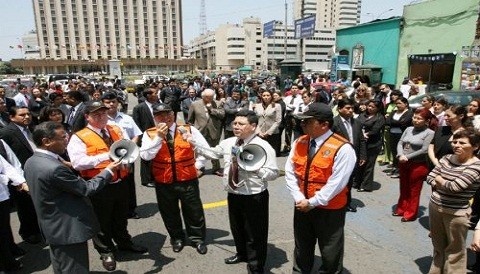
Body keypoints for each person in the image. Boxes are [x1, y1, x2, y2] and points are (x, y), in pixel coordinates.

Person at [25, 121, 121, 274]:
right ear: (47, 141)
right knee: (75, 269)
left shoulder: (32, 161)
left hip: (52, 227)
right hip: (68, 230)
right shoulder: (54, 168)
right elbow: (86, 188)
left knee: (62, 267)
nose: (67, 141)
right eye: (62, 137)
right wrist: (108, 171)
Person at [191, 109, 278, 273]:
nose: (236, 126)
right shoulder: (230, 142)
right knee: (237, 228)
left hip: (254, 195)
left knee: (255, 233)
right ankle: (242, 254)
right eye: (235, 123)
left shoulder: (263, 146)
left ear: (253, 126)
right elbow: (213, 152)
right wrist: (193, 143)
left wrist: (256, 168)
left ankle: (256, 265)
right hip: (234, 192)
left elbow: (273, 173)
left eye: (241, 124)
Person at [67, 101, 147, 271]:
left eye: (103, 113)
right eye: (96, 114)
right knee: (101, 220)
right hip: (99, 185)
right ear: (87, 117)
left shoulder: (115, 129)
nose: (101, 117)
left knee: (121, 215)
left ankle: (124, 242)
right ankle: (106, 251)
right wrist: (106, 156)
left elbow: (127, 147)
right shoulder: (79, 137)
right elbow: (78, 163)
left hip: (121, 182)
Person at [285, 103, 356, 274]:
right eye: (302, 122)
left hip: (329, 209)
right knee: (302, 246)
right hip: (303, 205)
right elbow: (290, 172)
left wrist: (313, 201)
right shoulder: (300, 142)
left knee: (330, 251)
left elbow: (337, 183)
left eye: (307, 122)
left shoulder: (343, 148)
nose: (302, 125)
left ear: (324, 124)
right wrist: (299, 198)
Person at [140, 103, 208, 255]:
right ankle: (177, 238)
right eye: (160, 115)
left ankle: (197, 238)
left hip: (187, 178)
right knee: (169, 211)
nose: (165, 118)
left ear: (173, 114)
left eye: (168, 114)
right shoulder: (150, 133)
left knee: (193, 210)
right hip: (164, 180)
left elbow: (204, 148)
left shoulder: (189, 129)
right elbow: (145, 155)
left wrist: (198, 166)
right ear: (155, 118)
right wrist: (158, 138)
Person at [427, 129, 480, 273]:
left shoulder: (476, 166)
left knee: (455, 252)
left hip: (456, 214)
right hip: (435, 207)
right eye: (455, 142)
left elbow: (455, 187)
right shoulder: (446, 158)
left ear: (475, 147)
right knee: (438, 247)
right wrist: (441, 181)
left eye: (462, 143)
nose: (457, 145)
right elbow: (430, 177)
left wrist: (439, 180)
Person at [0, 107, 42, 244]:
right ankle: (28, 232)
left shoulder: (32, 129)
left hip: (37, 171)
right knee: (25, 206)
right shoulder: (6, 133)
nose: (27, 117)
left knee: (37, 204)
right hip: (20, 175)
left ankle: (38, 229)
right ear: (12, 117)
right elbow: (7, 158)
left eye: (28, 114)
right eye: (22, 115)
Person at [102, 91, 143, 219]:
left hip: (127, 155)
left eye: (113, 101)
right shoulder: (101, 119)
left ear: (118, 103)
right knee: (113, 183)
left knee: (129, 183)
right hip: (109, 157)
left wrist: (130, 147)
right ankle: (116, 209)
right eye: (107, 102)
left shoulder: (126, 118)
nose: (111, 104)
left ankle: (131, 209)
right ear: (103, 104)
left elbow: (136, 134)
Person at [392, 108, 437, 222]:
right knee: (403, 187)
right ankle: (401, 208)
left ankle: (410, 213)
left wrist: (407, 157)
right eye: (414, 117)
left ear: (426, 121)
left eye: (419, 118)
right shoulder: (408, 129)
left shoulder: (429, 133)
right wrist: (400, 154)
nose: (415, 120)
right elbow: (401, 142)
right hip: (403, 162)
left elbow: (425, 149)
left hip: (418, 165)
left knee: (414, 190)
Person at [332, 98, 367, 212]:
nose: (351, 110)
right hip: (338, 157)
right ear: (339, 109)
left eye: (352, 108)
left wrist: (362, 156)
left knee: (349, 180)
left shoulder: (357, 122)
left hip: (353, 157)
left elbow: (361, 140)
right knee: (338, 180)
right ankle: (335, 201)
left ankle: (347, 202)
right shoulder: (334, 122)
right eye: (347, 108)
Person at [0, 141, 28, 272]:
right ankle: (8, 264)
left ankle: (8, 257)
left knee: (4, 228)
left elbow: (7, 166)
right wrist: (5, 179)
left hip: (2, 196)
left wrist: (21, 181)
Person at [188, 88, 225, 175]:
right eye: (208, 97)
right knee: (199, 151)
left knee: (214, 150)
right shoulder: (195, 104)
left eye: (212, 97)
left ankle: (216, 168)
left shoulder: (218, 103)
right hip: (200, 131)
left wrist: (212, 109)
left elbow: (222, 115)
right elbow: (190, 120)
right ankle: (200, 168)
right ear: (203, 96)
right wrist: (192, 131)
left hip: (214, 130)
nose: (210, 99)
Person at [355, 100, 385, 192]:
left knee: (369, 165)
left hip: (373, 144)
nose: (370, 108)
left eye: (373, 107)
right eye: (369, 106)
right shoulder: (362, 115)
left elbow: (375, 130)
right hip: (361, 143)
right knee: (360, 163)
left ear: (378, 108)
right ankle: (357, 182)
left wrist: (366, 134)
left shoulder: (380, 118)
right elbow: (356, 124)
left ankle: (366, 185)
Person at [132, 87, 158, 188]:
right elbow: (136, 124)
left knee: (155, 157)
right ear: (148, 95)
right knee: (146, 159)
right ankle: (146, 179)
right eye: (155, 93)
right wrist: (140, 138)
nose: (157, 95)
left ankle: (155, 176)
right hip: (145, 136)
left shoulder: (158, 106)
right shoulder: (139, 108)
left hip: (157, 135)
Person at [385, 97, 413, 178]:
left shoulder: (409, 113)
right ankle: (395, 167)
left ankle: (401, 170)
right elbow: (387, 122)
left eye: (400, 103)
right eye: (396, 103)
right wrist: (396, 123)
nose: (397, 105)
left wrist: (393, 122)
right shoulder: (394, 112)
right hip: (392, 134)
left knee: (401, 152)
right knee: (394, 152)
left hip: (403, 136)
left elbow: (404, 122)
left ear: (406, 104)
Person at [253, 89, 282, 156]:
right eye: (264, 95)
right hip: (260, 133)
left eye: (268, 95)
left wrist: (268, 132)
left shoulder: (277, 106)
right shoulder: (257, 106)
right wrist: (258, 132)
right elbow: (254, 120)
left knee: (270, 154)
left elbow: (278, 121)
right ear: (261, 97)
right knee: (260, 154)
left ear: (271, 96)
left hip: (272, 134)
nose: (266, 97)